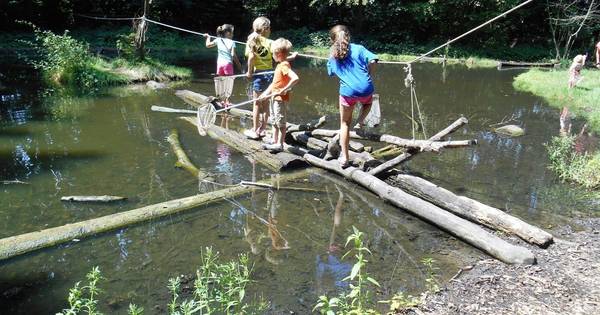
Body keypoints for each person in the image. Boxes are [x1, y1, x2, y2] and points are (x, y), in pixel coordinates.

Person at [326, 25, 378, 167]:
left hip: (348, 93)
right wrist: (369, 75)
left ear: (332, 40)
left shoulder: (332, 55)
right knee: (368, 103)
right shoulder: (359, 48)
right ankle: (360, 121)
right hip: (366, 89)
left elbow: (330, 74)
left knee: (344, 124)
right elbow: (373, 60)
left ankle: (345, 158)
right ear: (348, 36)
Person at [259, 38, 299, 152]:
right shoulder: (280, 63)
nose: (272, 55)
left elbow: (295, 78)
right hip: (273, 97)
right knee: (274, 120)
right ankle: (274, 140)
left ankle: (280, 144)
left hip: (279, 98)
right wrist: (265, 93)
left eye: (273, 53)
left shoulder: (283, 65)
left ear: (279, 54)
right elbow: (274, 83)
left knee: (280, 122)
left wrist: (285, 89)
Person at [244, 17, 274, 139]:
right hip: (270, 74)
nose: (270, 30)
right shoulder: (271, 42)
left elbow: (251, 58)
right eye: (270, 28)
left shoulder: (251, 40)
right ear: (266, 29)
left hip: (259, 75)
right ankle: (262, 129)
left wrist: (249, 72)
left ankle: (255, 130)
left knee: (256, 104)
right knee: (266, 104)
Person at [204, 24, 242, 105]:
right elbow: (233, 55)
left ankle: (221, 100)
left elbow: (207, 45)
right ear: (228, 33)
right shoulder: (232, 42)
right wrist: (239, 66)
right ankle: (227, 101)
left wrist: (208, 37)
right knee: (228, 83)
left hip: (220, 65)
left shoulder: (218, 40)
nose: (233, 34)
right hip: (228, 64)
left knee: (221, 82)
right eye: (232, 33)